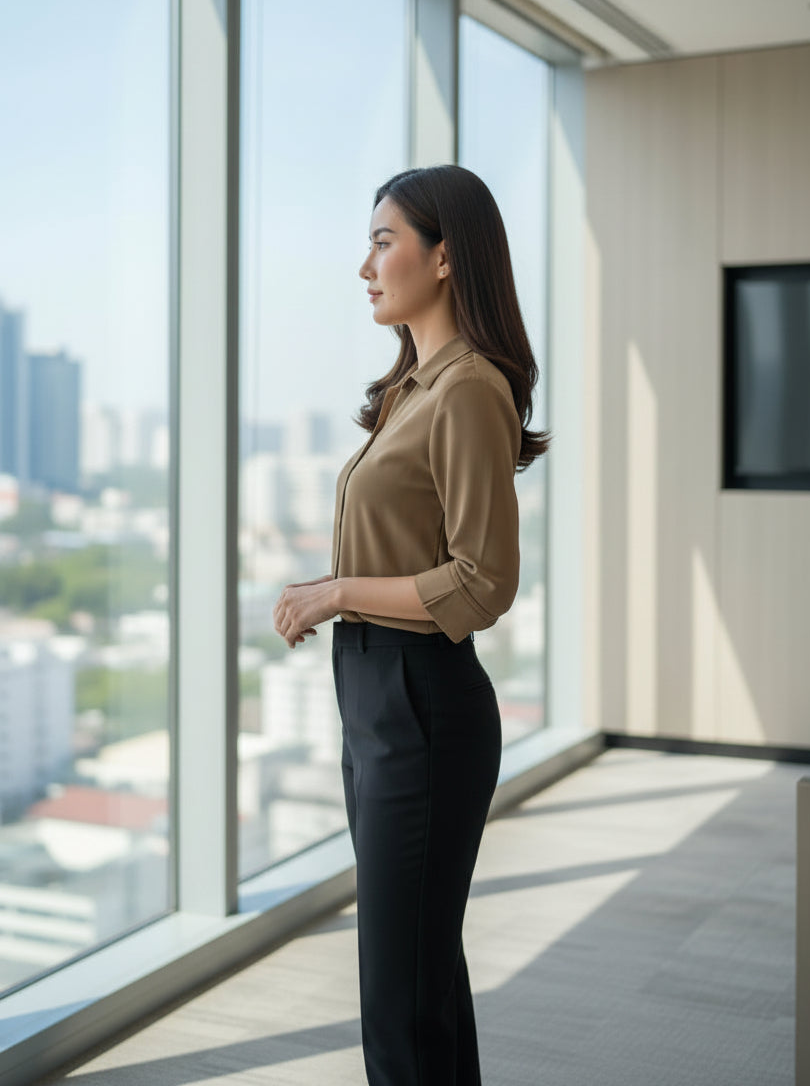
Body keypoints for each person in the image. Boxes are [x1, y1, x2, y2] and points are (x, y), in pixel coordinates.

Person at [272, 164, 550, 1085]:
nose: (365, 265)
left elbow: (482, 585)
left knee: (401, 1001)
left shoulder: (469, 387)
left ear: (443, 257)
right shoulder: (411, 387)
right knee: (416, 984)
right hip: (379, 709)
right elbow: (408, 552)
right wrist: (336, 586)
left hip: (422, 708)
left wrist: (340, 592)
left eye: (383, 241)